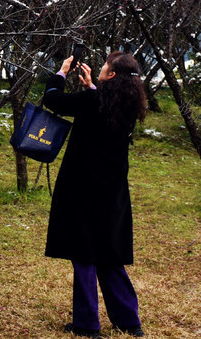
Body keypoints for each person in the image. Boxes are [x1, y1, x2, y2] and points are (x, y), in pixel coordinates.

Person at [42, 51, 148, 338]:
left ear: (111, 75)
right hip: (113, 192)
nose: (99, 69)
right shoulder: (127, 104)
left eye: (103, 67)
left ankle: (87, 324)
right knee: (109, 255)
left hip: (83, 188)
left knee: (84, 254)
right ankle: (129, 321)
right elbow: (101, 109)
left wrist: (61, 72)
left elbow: (52, 99)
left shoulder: (93, 101)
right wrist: (91, 87)